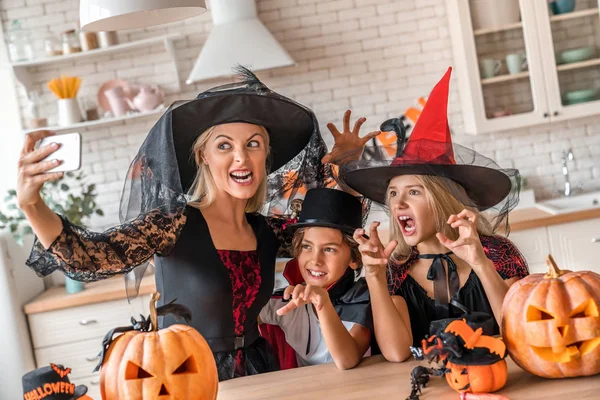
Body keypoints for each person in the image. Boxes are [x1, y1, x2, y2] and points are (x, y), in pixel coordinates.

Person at [17, 67, 380, 381]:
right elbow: (90, 256)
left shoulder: (267, 231)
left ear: (265, 155)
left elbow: (330, 231)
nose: (241, 156)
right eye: (224, 146)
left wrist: (344, 169)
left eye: (253, 144)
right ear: (203, 155)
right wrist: (31, 204)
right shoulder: (171, 223)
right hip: (184, 375)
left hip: (260, 373)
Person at [340, 67, 529, 362]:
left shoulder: (497, 253)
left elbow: (519, 330)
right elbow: (396, 352)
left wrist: (480, 263)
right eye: (393, 194)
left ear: (444, 201)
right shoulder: (396, 269)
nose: (399, 203)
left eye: (414, 192)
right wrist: (374, 275)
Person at [259, 188, 372, 370]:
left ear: (354, 259)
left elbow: (346, 360)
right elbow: (237, 319)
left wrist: (323, 303)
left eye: (329, 249)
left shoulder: (363, 301)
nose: (315, 260)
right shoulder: (288, 301)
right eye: (306, 246)